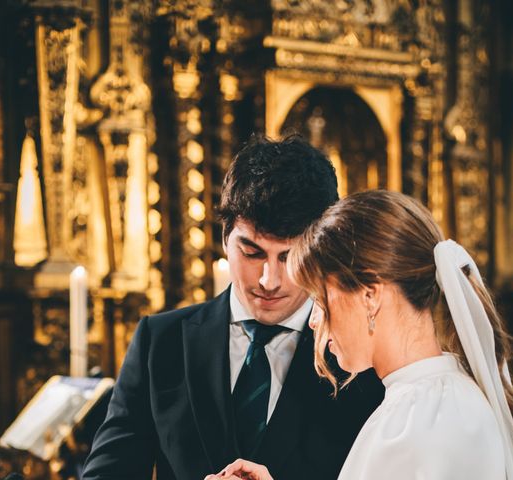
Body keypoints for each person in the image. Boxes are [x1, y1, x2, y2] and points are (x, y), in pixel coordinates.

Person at [82, 135, 384, 480]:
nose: (269, 280)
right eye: (252, 253)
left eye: (290, 257)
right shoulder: (160, 341)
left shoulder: (362, 358)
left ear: (321, 249)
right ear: (225, 238)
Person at [210, 190, 513, 480]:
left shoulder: (415, 421)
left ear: (369, 296)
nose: (314, 321)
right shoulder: (438, 398)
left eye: (321, 300)